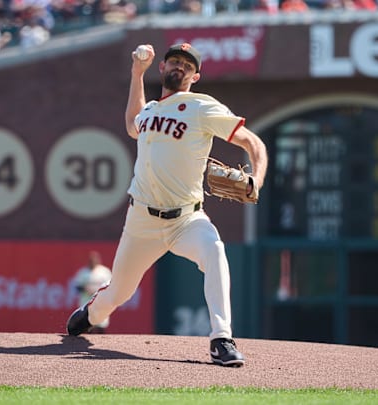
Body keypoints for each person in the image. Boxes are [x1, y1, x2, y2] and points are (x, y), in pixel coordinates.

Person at [66, 43, 268, 368]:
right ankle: (91, 313)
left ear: (196, 76)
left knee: (215, 251)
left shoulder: (201, 106)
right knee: (118, 293)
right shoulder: (149, 113)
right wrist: (136, 73)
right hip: (142, 220)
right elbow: (133, 123)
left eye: (188, 65)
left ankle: (222, 339)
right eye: (175, 61)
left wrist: (256, 179)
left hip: (186, 219)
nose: (180, 67)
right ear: (162, 67)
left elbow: (252, 141)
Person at [72, 251, 113, 333]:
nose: (93, 261)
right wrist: (86, 289)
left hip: (101, 301)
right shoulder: (83, 272)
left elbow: (112, 285)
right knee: (87, 326)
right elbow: (77, 286)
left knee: (100, 325)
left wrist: (97, 290)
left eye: (94, 259)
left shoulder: (104, 272)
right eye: (91, 260)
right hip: (86, 302)